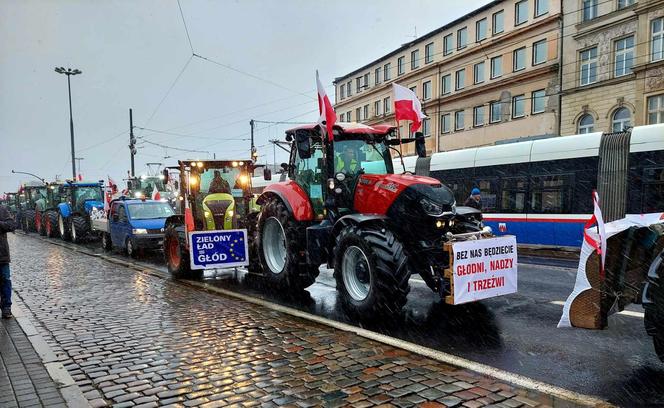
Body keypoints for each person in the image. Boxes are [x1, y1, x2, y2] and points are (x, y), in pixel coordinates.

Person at [0, 204, 16, 319]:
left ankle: (6, 308)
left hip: (1, 254)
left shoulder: (2, 209)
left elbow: (11, 225)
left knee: (5, 280)